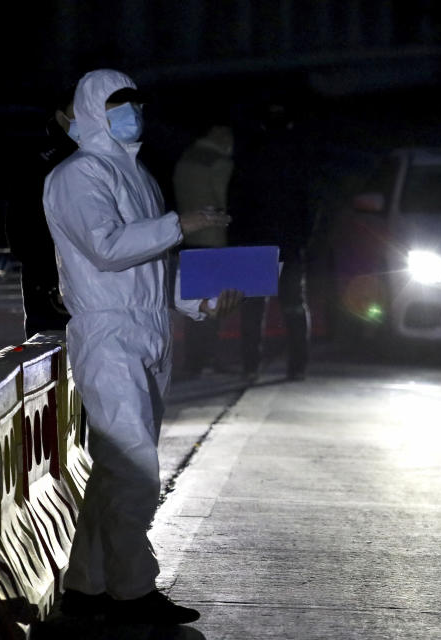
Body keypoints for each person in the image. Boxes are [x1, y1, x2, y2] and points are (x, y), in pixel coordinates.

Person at [42, 68, 240, 624]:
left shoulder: (139, 175)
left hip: (148, 329)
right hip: (107, 334)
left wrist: (201, 302)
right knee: (133, 467)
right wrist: (183, 222)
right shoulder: (78, 176)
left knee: (116, 468)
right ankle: (133, 591)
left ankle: (87, 584)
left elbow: (154, 264)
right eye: (118, 104)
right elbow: (107, 248)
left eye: (135, 102)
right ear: (90, 111)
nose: (133, 113)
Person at [228, 102, 315, 380]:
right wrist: (305, 239)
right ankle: (297, 366)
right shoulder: (300, 154)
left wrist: (236, 240)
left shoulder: (250, 153)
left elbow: (237, 202)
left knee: (253, 308)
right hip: (289, 244)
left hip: (255, 242)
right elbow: (311, 202)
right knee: (293, 306)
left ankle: (251, 365)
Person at [0, 89, 78, 338]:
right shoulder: (41, 166)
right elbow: (22, 234)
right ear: (61, 116)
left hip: (96, 298)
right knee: (51, 364)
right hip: (53, 297)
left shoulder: (110, 162)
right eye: (78, 111)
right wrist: (54, 281)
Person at [172, 124, 235, 377]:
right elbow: (223, 200)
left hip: (187, 237)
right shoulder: (220, 162)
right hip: (213, 238)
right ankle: (210, 357)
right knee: (212, 303)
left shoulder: (185, 159)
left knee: (192, 303)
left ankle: (193, 362)